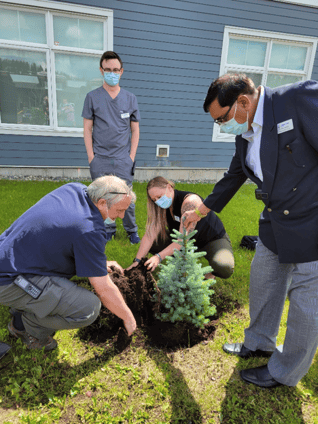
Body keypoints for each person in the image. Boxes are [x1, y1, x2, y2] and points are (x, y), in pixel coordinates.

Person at [183, 73, 318, 389]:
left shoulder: (296, 99)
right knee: (263, 281)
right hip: (275, 221)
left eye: (222, 118)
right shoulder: (244, 133)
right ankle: (259, 342)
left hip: (312, 222)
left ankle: (284, 372)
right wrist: (202, 210)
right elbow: (234, 176)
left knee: (306, 303)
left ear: (243, 102)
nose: (222, 126)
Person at [0, 176, 137, 351]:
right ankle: (26, 326)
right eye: (119, 210)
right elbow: (102, 288)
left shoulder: (73, 189)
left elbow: (64, 236)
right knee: (88, 309)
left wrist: (97, 263)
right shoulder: (89, 229)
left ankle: (25, 306)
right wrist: (128, 317)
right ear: (102, 202)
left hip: (9, 257)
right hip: (8, 280)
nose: (122, 216)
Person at [82, 51, 140, 245]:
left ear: (121, 71)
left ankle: (131, 230)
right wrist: (92, 157)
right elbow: (87, 128)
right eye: (108, 70)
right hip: (100, 158)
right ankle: (108, 229)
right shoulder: (92, 97)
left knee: (126, 197)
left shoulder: (130, 98)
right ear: (101, 70)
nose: (112, 73)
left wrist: (131, 156)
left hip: (123, 159)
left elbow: (135, 130)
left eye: (116, 70)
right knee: (102, 197)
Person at [127, 176, 234, 280]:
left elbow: (182, 240)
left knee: (224, 268)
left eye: (159, 197)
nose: (158, 202)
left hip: (210, 239)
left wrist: (158, 257)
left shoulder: (190, 202)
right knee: (153, 242)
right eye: (154, 200)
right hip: (184, 240)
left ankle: (210, 273)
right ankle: (182, 262)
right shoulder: (161, 207)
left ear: (169, 187)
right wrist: (137, 262)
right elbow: (150, 235)